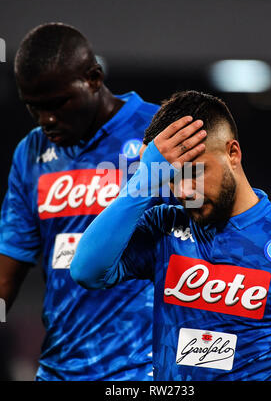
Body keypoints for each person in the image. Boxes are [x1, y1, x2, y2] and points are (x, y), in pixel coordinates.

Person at [71, 90, 271, 381]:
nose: (184, 191)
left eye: (195, 172)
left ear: (233, 153)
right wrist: (143, 180)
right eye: (174, 177)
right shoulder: (164, 227)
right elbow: (86, 271)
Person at [0, 22, 160, 381]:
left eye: (57, 104)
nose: (47, 120)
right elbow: (6, 274)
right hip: (60, 370)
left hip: (147, 372)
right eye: (34, 107)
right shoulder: (32, 152)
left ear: (93, 78)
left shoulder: (159, 133)